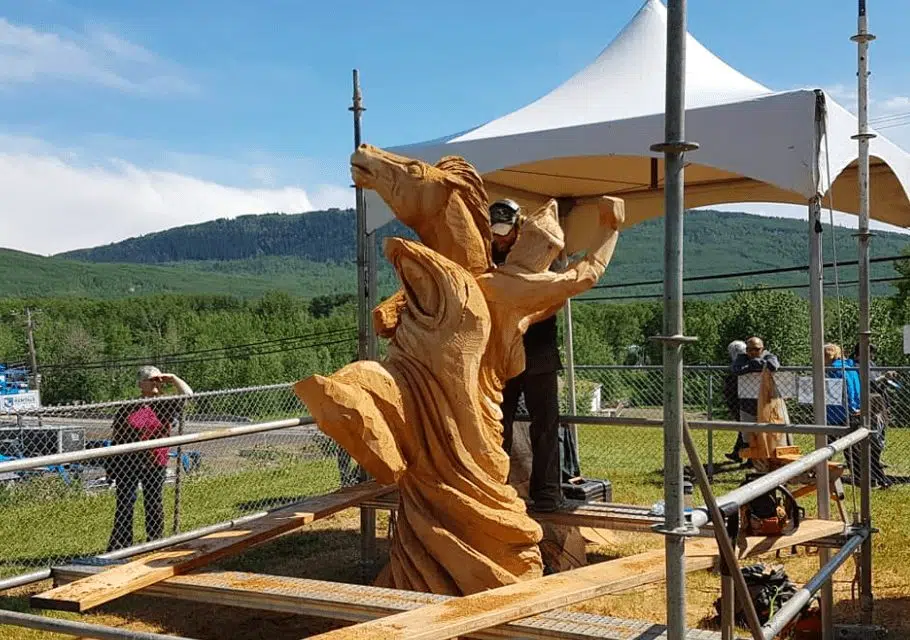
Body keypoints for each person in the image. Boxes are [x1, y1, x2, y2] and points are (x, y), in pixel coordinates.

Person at [491, 198, 565, 513]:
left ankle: (547, 492)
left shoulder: (543, 249)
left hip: (539, 351)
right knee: (498, 422)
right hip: (504, 353)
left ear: (519, 225)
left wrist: (528, 318)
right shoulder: (487, 254)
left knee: (545, 423)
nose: (500, 238)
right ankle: (496, 488)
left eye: (505, 232)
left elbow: (558, 295)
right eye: (495, 232)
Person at [107, 366, 193, 551]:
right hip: (127, 463)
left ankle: (154, 541)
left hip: (154, 463)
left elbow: (188, 394)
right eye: (151, 379)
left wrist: (172, 377)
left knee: (153, 501)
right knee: (125, 503)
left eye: (158, 379)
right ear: (140, 384)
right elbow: (117, 436)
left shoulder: (164, 405)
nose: (156, 382)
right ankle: (121, 545)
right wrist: (111, 465)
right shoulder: (128, 408)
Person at [727, 337, 781, 460]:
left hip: (766, 404)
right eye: (749, 349)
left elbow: (774, 366)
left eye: (756, 349)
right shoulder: (742, 358)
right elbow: (735, 370)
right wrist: (751, 366)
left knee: (765, 434)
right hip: (747, 403)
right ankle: (751, 459)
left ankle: (765, 459)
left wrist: (758, 363)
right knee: (748, 435)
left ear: (762, 349)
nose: (752, 352)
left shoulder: (769, 356)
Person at [850, 344, 894, 488]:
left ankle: (876, 471)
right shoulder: (855, 366)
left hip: (879, 407)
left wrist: (886, 380)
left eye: (872, 354)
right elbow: (866, 385)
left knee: (879, 441)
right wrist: (882, 378)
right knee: (872, 441)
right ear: (859, 354)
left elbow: (878, 385)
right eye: (869, 353)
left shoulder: (872, 364)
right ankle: (877, 476)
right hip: (867, 408)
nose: (871, 357)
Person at [824, 343, 862, 478]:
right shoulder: (850, 366)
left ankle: (822, 471)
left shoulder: (834, 369)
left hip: (837, 413)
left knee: (826, 445)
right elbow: (855, 388)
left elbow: (846, 390)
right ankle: (859, 475)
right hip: (852, 409)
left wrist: (851, 407)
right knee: (852, 446)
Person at [723, 340, 747, 463]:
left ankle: (740, 453)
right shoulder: (736, 367)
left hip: (742, 401)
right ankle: (738, 453)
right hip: (736, 400)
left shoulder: (741, 367)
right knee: (743, 427)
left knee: (745, 428)